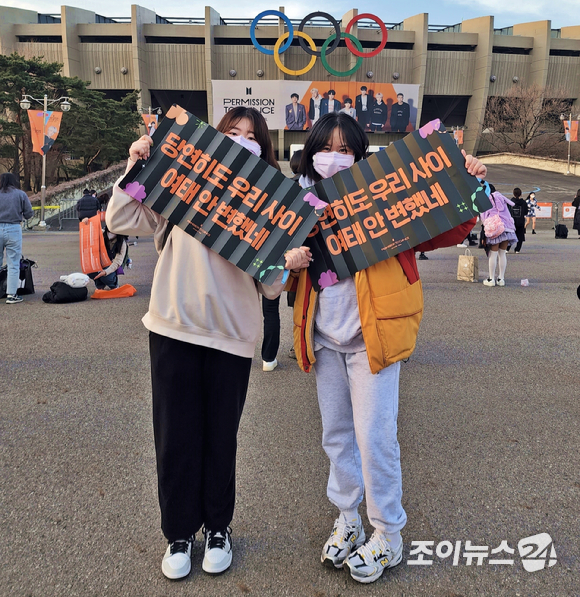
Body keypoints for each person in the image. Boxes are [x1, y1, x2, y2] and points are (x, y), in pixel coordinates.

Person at [106, 106, 311, 581]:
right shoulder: (183, 184)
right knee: (175, 436)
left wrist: (289, 261)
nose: (242, 140)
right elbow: (119, 218)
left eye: (252, 136)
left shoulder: (270, 205)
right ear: (214, 140)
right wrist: (136, 162)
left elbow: (272, 287)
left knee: (221, 437)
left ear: (265, 150)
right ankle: (179, 533)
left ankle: (218, 528)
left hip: (233, 336)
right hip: (174, 327)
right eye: (233, 133)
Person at [287, 112, 486, 584]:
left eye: (345, 149)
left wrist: (471, 183)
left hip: (371, 337)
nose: (334, 156)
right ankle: (348, 517)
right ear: (312, 151)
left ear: (360, 155)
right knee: (336, 435)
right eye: (325, 147)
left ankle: (389, 534)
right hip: (323, 336)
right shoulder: (298, 202)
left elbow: (449, 227)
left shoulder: (387, 197)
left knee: (375, 437)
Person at [0, 172, 33, 304]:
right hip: (13, 228)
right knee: (13, 263)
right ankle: (11, 295)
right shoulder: (20, 194)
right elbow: (29, 213)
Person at [479, 183, 517, 282]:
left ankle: (491, 279)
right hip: (507, 228)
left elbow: (483, 218)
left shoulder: (485, 200)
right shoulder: (501, 197)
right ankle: (501, 279)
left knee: (493, 254)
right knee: (502, 254)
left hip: (495, 228)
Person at [82, 218, 129, 289]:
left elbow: (117, 262)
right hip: (100, 262)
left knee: (106, 276)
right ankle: (99, 284)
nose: (111, 231)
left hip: (111, 264)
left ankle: (114, 283)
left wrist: (106, 272)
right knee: (91, 272)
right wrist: (86, 223)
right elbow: (90, 231)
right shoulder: (102, 233)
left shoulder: (122, 243)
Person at [510, 188, 528, 254]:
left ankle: (507, 248)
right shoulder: (523, 202)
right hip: (520, 221)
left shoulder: (511, 201)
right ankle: (517, 249)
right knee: (520, 236)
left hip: (512, 221)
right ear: (521, 194)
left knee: (511, 235)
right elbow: (526, 212)